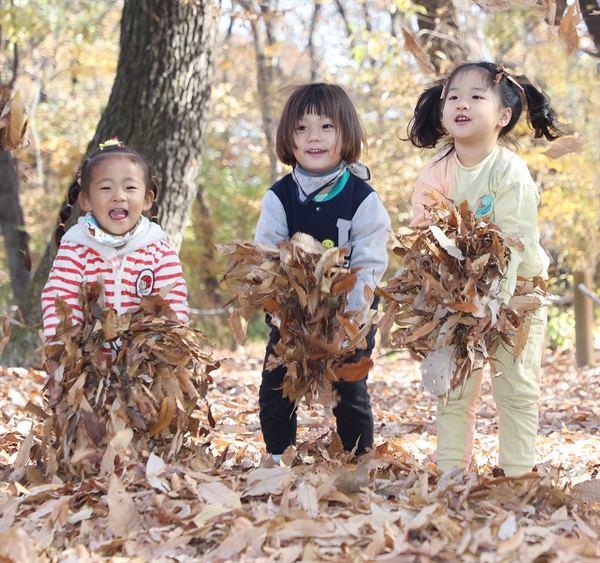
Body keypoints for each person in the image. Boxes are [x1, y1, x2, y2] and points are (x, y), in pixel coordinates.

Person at [407, 62, 566, 477]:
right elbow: (426, 237)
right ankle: (451, 474)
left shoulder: (509, 171)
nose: (462, 103)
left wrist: (493, 302)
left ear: (502, 116)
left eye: (477, 97)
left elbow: (513, 244)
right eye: (453, 96)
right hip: (456, 295)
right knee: (453, 389)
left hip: (517, 295)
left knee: (514, 389)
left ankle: (517, 476)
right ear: (442, 111)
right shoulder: (436, 171)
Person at [254, 83, 391, 463]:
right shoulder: (279, 197)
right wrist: (283, 314)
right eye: (301, 128)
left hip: (351, 313)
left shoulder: (363, 199)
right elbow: (267, 256)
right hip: (293, 316)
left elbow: (369, 262)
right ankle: (280, 458)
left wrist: (348, 319)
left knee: (350, 392)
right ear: (289, 138)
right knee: (276, 387)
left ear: (346, 135)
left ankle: (356, 460)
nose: (313, 136)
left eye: (326, 126)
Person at [42, 138, 189, 341]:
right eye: (105, 188)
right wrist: (61, 352)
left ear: (147, 199)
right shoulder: (75, 250)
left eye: (130, 188)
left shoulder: (159, 252)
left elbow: (173, 307)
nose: (118, 196)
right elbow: (59, 304)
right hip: (86, 364)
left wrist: (167, 351)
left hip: (144, 363)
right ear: (86, 200)